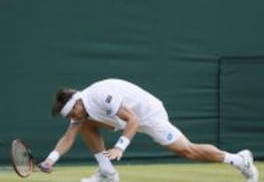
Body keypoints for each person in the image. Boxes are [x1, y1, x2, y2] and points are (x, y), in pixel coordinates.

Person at [39, 78, 259, 182]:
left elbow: (133, 120)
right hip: (123, 119)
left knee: (187, 151)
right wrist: (50, 160)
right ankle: (107, 173)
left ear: (77, 103)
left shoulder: (99, 95)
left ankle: (240, 161)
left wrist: (120, 147)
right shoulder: (80, 112)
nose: (71, 118)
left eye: (71, 114)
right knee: (82, 127)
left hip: (147, 114)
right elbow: (68, 138)